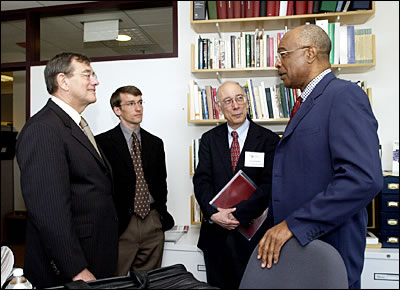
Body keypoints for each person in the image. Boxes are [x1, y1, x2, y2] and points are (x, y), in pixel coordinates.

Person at [257, 24, 383, 289]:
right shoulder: (306, 102)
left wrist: (293, 225)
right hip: (301, 251)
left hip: (330, 250)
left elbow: (363, 179)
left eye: (283, 54)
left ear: (310, 53)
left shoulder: (344, 95)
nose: (278, 64)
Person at [15, 52, 119, 288]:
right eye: (87, 74)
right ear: (63, 81)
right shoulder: (43, 129)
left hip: (94, 253)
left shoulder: (74, 124)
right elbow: (49, 210)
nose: (95, 81)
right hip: (71, 268)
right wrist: (75, 269)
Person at [193, 81, 280, 288]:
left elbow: (269, 185)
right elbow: (201, 181)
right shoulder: (208, 140)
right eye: (228, 101)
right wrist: (213, 213)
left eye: (240, 98)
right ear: (219, 107)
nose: (236, 105)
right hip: (216, 238)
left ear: (247, 102)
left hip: (253, 238)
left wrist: (237, 215)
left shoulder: (268, 139)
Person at [96, 85, 175, 275]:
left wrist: (159, 216)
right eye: (131, 103)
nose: (138, 108)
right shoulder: (102, 143)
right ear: (117, 110)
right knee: (116, 280)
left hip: (152, 222)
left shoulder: (155, 143)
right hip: (122, 224)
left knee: (149, 280)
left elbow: (161, 183)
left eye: (140, 102)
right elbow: (100, 187)